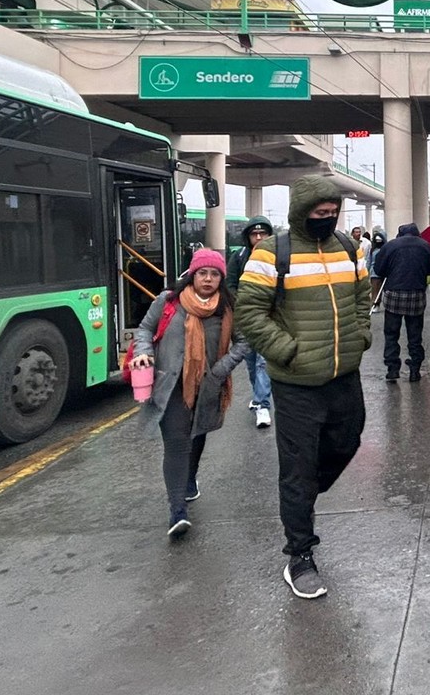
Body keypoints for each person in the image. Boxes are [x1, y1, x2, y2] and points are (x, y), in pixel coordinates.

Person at [234, 175, 372, 599]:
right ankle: (300, 555)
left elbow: (363, 296)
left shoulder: (349, 249)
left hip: (343, 375)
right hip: (294, 382)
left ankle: (303, 494)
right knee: (296, 467)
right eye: (320, 214)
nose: (327, 220)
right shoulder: (270, 253)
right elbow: (249, 312)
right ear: (301, 213)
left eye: (333, 214)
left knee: (348, 441)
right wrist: (286, 350)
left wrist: (361, 334)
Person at [131, 249, 249, 538]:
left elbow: (244, 342)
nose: (208, 279)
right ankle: (177, 510)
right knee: (177, 443)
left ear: (221, 278)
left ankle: (189, 479)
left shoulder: (228, 308)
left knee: (197, 436)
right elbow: (145, 329)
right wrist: (144, 353)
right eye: (202, 273)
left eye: (214, 274)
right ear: (192, 275)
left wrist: (221, 369)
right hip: (170, 386)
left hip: (208, 386)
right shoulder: (168, 301)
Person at [227, 215, 275, 428]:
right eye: (254, 234)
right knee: (251, 361)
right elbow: (230, 285)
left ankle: (262, 404)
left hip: (268, 318)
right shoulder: (238, 257)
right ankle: (258, 395)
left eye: (263, 233)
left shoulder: (278, 257)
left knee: (263, 361)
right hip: (245, 319)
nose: (258, 237)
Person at [374, 223, 430, 382]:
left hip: (394, 294)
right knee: (415, 335)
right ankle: (415, 368)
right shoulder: (425, 246)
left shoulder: (390, 246)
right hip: (416, 294)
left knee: (391, 333)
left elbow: (379, 269)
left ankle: (392, 368)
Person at [367, 230, 388, 312]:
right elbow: (369, 261)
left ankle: (386, 304)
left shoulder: (386, 249)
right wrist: (366, 271)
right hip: (374, 273)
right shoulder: (372, 250)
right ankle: (375, 304)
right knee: (375, 291)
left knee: (385, 290)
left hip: (385, 273)